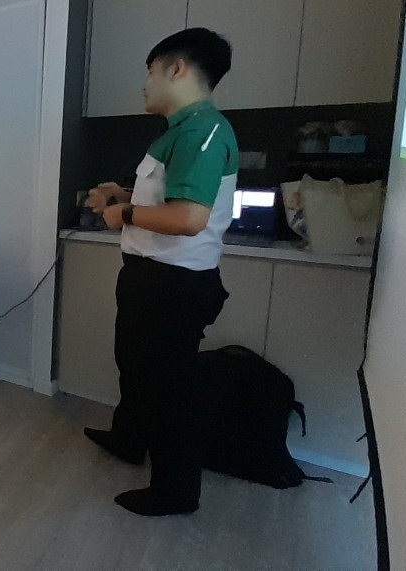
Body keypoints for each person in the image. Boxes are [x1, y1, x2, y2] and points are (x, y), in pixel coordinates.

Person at [83, 28, 237, 517]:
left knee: (168, 391)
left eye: (150, 72)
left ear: (177, 68)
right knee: (134, 368)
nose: (145, 84)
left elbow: (189, 218)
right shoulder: (178, 131)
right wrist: (124, 195)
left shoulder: (202, 132)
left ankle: (176, 492)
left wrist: (123, 213)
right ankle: (129, 439)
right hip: (148, 277)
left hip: (173, 284)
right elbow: (169, 201)